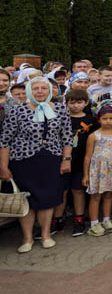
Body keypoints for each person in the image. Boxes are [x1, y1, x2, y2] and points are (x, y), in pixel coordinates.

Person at [0, 78, 74, 252]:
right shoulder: (17, 110)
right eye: (35, 88)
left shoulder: (61, 109)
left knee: (47, 199)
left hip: (51, 160)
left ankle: (46, 234)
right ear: (29, 91)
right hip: (23, 161)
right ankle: (27, 238)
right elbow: (5, 140)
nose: (40, 91)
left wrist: (66, 159)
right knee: (27, 198)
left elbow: (67, 136)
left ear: (49, 90)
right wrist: (3, 166)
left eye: (43, 88)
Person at [51, 89, 96, 237]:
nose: (76, 106)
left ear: (86, 103)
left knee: (78, 190)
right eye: (72, 102)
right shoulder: (61, 118)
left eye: (79, 102)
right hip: (62, 160)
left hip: (82, 161)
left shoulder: (91, 120)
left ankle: (79, 219)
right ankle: (57, 219)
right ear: (66, 103)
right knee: (61, 190)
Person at [82, 104, 112, 236]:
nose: (108, 121)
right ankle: (94, 223)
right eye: (104, 118)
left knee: (108, 194)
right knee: (96, 196)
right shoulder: (94, 136)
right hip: (97, 169)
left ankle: (107, 219)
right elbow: (88, 156)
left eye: (111, 118)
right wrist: (85, 175)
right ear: (99, 119)